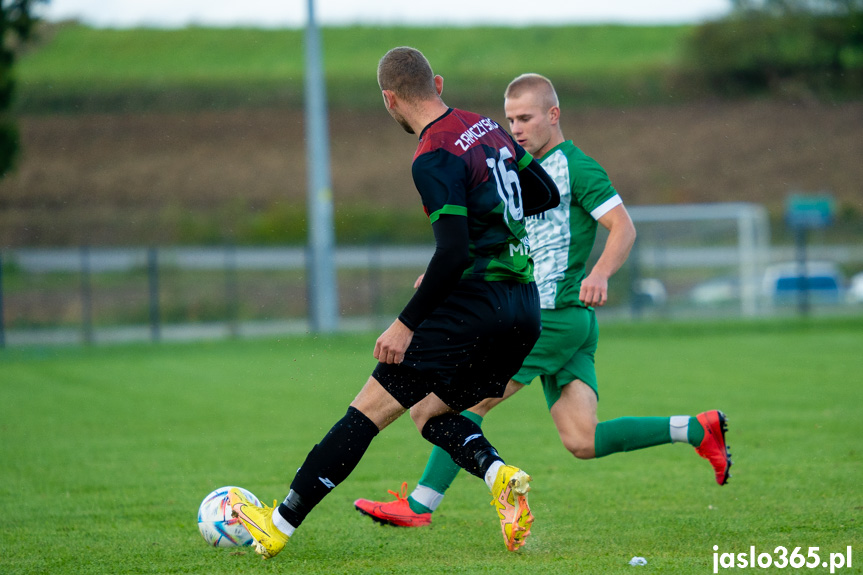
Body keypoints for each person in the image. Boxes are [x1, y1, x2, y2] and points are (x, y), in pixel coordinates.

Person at [354, 73, 732, 529]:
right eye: (511, 118)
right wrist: (452, 276)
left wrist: (600, 272)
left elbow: (623, 227)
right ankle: (696, 428)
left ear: (553, 115)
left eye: (526, 118)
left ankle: (420, 505)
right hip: (557, 318)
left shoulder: (577, 167)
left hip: (554, 313)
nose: (516, 128)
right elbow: (502, 241)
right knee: (582, 439)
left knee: (462, 405)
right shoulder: (514, 166)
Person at [227, 49, 560, 558]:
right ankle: (499, 474)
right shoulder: (488, 127)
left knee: (367, 411)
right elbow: (544, 194)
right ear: (438, 83)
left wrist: (406, 323)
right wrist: (485, 241)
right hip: (523, 309)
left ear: (390, 99)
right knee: (429, 414)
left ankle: (277, 525)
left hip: (473, 306)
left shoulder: (433, 155)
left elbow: (451, 253)